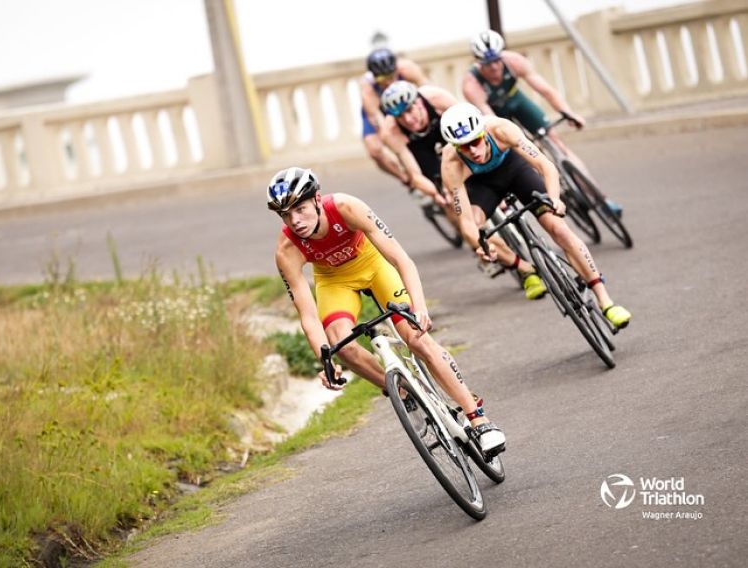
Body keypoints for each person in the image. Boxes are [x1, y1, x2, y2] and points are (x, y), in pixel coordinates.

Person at [268, 166, 505, 453]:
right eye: (286, 215)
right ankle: (402, 391)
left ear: (317, 199)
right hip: (333, 280)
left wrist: (419, 308)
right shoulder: (286, 249)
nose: (295, 221)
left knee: (417, 338)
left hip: (374, 264)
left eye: (301, 209)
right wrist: (326, 361)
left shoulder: (346, 207)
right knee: (340, 344)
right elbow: (307, 314)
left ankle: (479, 419)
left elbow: (401, 259)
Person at [439, 102, 632, 328]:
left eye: (475, 141)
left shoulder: (501, 129)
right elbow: (465, 222)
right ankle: (523, 268)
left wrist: (555, 199)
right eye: (463, 146)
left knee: (558, 229)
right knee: (477, 230)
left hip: (515, 171)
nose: (472, 150)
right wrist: (480, 244)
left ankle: (606, 301)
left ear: (483, 133)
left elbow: (544, 165)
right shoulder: (450, 163)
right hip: (483, 187)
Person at [379, 79, 548, 301]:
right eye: (401, 117)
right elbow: (415, 175)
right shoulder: (390, 132)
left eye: (411, 110)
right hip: (430, 160)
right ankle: (520, 266)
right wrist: (437, 194)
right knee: (457, 212)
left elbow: (474, 120)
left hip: (459, 139)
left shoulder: (435, 97)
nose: (409, 119)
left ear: (419, 101)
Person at [461, 30, 622, 216]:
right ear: (478, 62)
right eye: (488, 64)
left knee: (557, 144)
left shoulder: (514, 62)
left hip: (517, 101)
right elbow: (492, 121)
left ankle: (602, 199)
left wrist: (568, 112)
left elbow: (545, 90)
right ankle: (551, 186)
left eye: (497, 60)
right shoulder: (471, 84)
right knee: (523, 152)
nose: (495, 67)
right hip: (496, 114)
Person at [361, 48, 429, 185]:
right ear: (374, 76)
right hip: (380, 109)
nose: (388, 83)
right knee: (375, 150)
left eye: (391, 76)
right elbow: (378, 120)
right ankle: (406, 179)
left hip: (403, 101)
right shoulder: (367, 86)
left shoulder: (407, 68)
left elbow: (428, 90)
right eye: (382, 79)